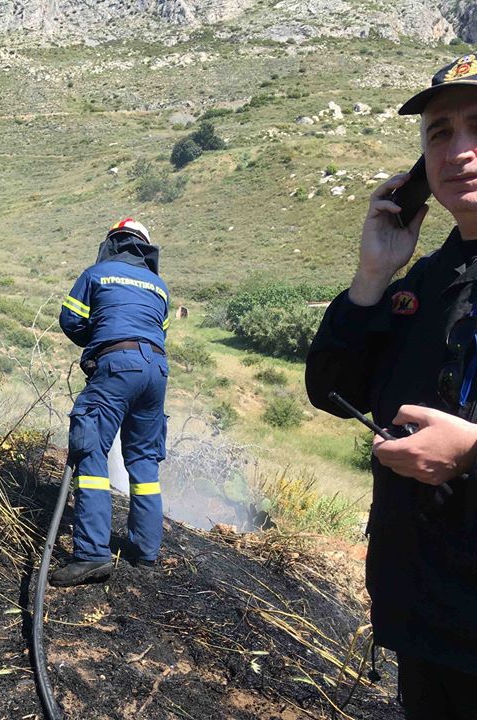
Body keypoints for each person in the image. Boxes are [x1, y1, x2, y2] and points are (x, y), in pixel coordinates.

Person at [306, 54, 477, 718]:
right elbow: (331, 388)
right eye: (439, 133)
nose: (459, 151)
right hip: (426, 620)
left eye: (476, 127)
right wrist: (373, 273)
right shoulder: (425, 285)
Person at [51, 218, 170, 587]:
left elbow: (70, 320)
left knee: (90, 452)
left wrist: (98, 341)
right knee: (144, 460)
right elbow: (156, 330)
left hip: (117, 365)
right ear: (145, 249)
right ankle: (146, 551)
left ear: (113, 243)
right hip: (156, 370)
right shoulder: (160, 287)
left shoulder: (97, 273)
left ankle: (91, 555)